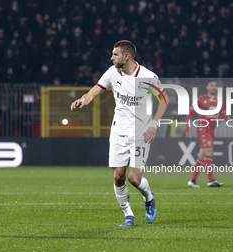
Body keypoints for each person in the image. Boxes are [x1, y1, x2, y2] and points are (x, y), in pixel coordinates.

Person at [71, 40, 169, 227]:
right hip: (118, 131)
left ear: (126, 56)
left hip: (141, 133)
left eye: (115, 54)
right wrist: (84, 99)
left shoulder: (148, 76)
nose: (111, 57)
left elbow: (164, 100)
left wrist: (154, 124)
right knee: (118, 177)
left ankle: (149, 197)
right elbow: (96, 89)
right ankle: (128, 215)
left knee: (134, 178)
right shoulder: (112, 72)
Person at [185, 80, 228, 188]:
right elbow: (189, 114)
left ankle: (192, 180)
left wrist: (226, 118)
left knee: (202, 156)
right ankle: (211, 180)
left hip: (211, 129)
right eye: (211, 85)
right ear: (207, 87)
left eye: (215, 86)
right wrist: (187, 128)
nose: (214, 87)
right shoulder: (200, 99)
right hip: (203, 128)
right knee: (209, 152)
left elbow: (222, 114)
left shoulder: (220, 100)